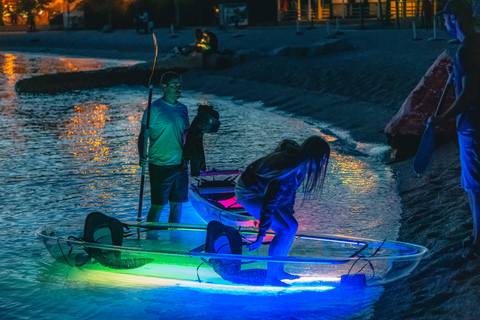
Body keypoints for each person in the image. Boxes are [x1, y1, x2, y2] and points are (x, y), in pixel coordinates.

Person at [235, 136, 330, 286]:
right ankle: (271, 278)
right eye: (322, 158)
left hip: (265, 192)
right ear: (313, 155)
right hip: (249, 192)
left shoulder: (300, 165)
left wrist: (289, 215)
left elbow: (289, 194)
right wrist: (260, 235)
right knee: (283, 230)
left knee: (292, 226)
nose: (323, 164)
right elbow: (269, 205)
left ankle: (279, 270)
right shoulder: (286, 170)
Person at [430, 0, 480, 260]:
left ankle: (478, 241)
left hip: (472, 125)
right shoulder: (473, 45)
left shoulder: (466, 50)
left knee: (474, 185)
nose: (443, 23)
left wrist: (443, 118)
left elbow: (470, 92)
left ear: (453, 18)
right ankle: (475, 236)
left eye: (444, 19)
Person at [138, 72, 189, 228]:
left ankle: (173, 236)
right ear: (164, 87)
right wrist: (142, 155)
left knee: (177, 204)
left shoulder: (183, 109)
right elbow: (143, 135)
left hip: (180, 165)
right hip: (160, 164)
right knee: (158, 205)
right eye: (174, 85)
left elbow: (186, 134)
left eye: (179, 84)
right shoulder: (154, 109)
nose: (178, 88)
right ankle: (151, 237)